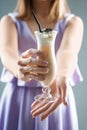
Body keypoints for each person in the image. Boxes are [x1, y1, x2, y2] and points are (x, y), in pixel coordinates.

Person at [0, 0, 84, 130]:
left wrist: (62, 76)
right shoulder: (9, 21)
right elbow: (7, 53)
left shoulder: (73, 23)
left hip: (56, 99)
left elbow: (67, 52)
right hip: (18, 100)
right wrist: (19, 69)